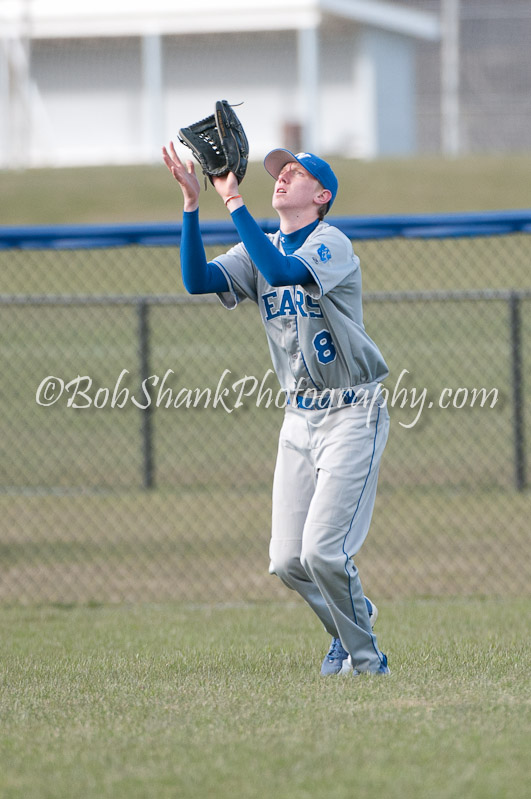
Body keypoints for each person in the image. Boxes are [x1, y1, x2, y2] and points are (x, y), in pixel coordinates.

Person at [162, 141, 390, 676]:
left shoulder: (332, 242)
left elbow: (285, 272)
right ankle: (351, 617)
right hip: (298, 417)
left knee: (322, 553)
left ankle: (366, 658)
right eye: (278, 173)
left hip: (351, 413)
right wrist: (193, 206)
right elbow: (198, 280)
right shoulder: (258, 245)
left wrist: (235, 201)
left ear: (322, 194)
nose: (282, 178)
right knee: (288, 561)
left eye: (295, 173)